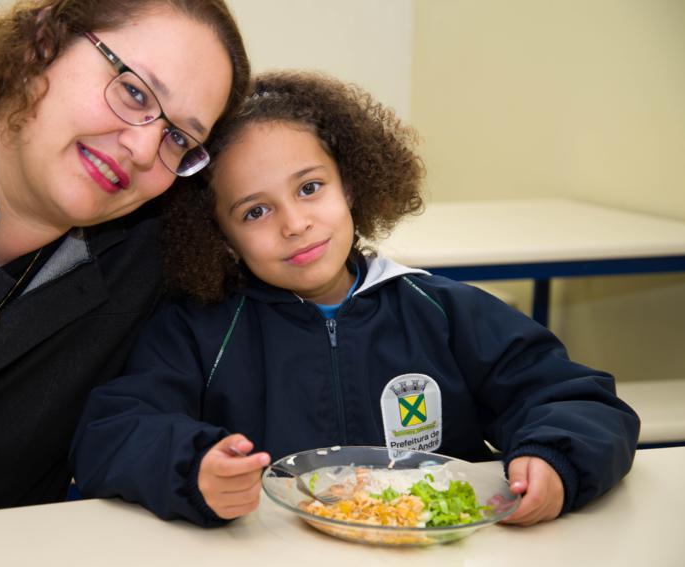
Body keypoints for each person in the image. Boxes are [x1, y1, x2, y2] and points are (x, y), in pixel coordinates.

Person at [70, 70, 640, 528]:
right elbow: (111, 434)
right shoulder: (195, 333)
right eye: (255, 211)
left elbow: (578, 399)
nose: (295, 224)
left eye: (310, 188)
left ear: (351, 184)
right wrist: (192, 468)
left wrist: (554, 459)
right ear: (218, 234)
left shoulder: (442, 312)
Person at [0, 0, 249, 527]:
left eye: (178, 138)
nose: (145, 148)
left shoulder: (153, 267)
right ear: (43, 44)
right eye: (134, 91)